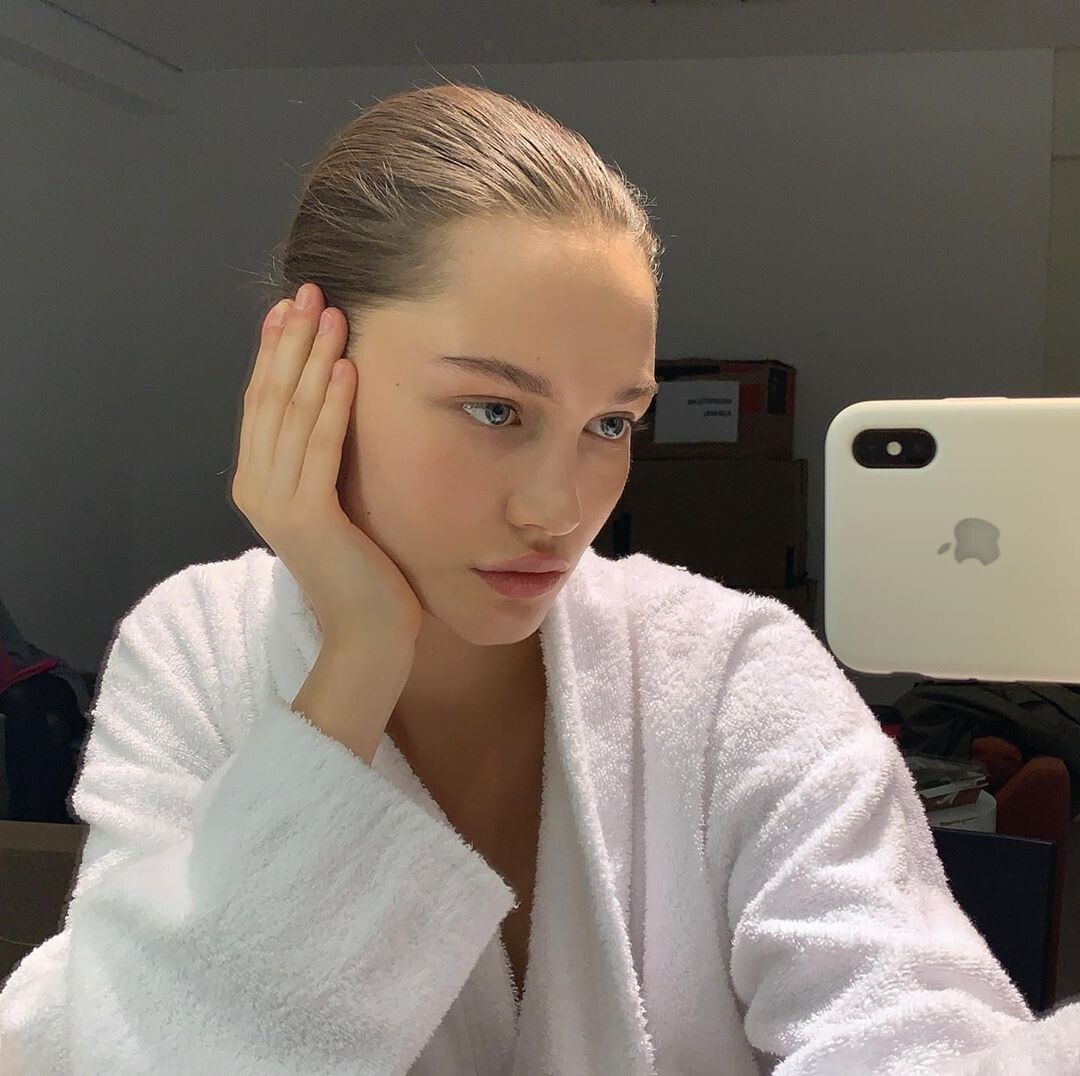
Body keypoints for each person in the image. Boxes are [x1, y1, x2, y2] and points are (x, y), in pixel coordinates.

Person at [0, 82, 1061, 1075]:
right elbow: (133, 1046)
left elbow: (909, 1030)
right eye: (495, 408)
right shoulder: (199, 651)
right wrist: (358, 658)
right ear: (308, 373)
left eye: (612, 423)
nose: (560, 509)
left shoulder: (732, 671)